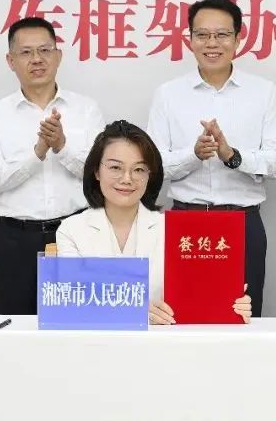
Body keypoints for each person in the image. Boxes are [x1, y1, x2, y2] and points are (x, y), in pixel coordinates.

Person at [147, 0, 276, 317]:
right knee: (181, 317)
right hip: (185, 222)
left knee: (243, 317)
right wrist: (193, 155)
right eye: (202, 35)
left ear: (238, 39)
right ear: (190, 39)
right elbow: (153, 166)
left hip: (243, 223)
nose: (212, 43)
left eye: (222, 34)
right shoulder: (168, 94)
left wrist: (231, 156)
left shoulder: (263, 92)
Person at [56, 121, 251, 324]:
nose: (127, 178)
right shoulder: (71, 230)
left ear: (150, 175)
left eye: (139, 169)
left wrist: (231, 305)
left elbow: (197, 298)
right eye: (115, 167)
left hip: (161, 341)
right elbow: (71, 302)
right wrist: (136, 312)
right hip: (94, 341)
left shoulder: (173, 230)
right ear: (96, 171)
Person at [0, 17, 104, 315]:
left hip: (75, 232)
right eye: (26, 52)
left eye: (45, 50)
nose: (37, 59)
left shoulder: (86, 110)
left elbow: (100, 174)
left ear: (58, 56)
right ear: (11, 61)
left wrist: (62, 147)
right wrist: (38, 153)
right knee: (15, 325)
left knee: (78, 322)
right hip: (15, 240)